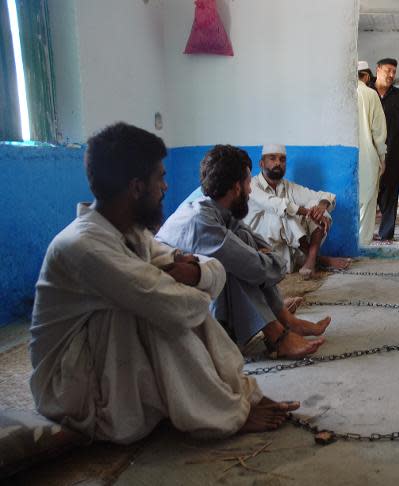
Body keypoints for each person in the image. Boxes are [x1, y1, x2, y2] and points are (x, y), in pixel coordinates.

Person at [29, 123, 299, 445]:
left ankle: (236, 396)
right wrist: (179, 277)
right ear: (136, 188)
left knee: (165, 302)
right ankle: (224, 411)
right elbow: (178, 307)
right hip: (67, 388)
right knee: (152, 313)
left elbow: (214, 272)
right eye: (160, 178)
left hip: (104, 365)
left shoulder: (133, 233)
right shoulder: (83, 246)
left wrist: (193, 274)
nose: (166, 187)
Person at [157, 144, 329, 360]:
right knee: (232, 265)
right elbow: (258, 267)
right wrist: (271, 261)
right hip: (176, 306)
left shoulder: (219, 210)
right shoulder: (201, 220)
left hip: (208, 295)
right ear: (236, 188)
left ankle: (285, 321)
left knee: (243, 245)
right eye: (248, 183)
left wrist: (264, 257)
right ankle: (278, 336)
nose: (250, 190)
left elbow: (253, 242)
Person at [243, 144, 351, 278]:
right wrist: (306, 212)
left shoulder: (288, 186)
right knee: (283, 213)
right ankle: (318, 260)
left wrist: (321, 206)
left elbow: (325, 196)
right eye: (272, 158)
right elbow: (277, 204)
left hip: (289, 249)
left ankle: (310, 260)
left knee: (316, 206)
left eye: (282, 160)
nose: (278, 163)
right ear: (261, 163)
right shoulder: (252, 185)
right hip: (264, 247)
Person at [374, 58, 399, 241]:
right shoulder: (367, 93)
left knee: (390, 192)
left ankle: (386, 235)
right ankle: (363, 234)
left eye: (394, 72)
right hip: (371, 152)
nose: (391, 75)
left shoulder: (398, 95)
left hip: (393, 152)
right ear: (378, 69)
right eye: (388, 70)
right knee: (370, 191)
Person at [356, 61, 387, 245]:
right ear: (367, 76)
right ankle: (363, 244)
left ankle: (350, 245)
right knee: (367, 203)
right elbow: (378, 131)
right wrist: (382, 157)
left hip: (348, 157)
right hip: (368, 157)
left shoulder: (345, 95)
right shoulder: (370, 94)